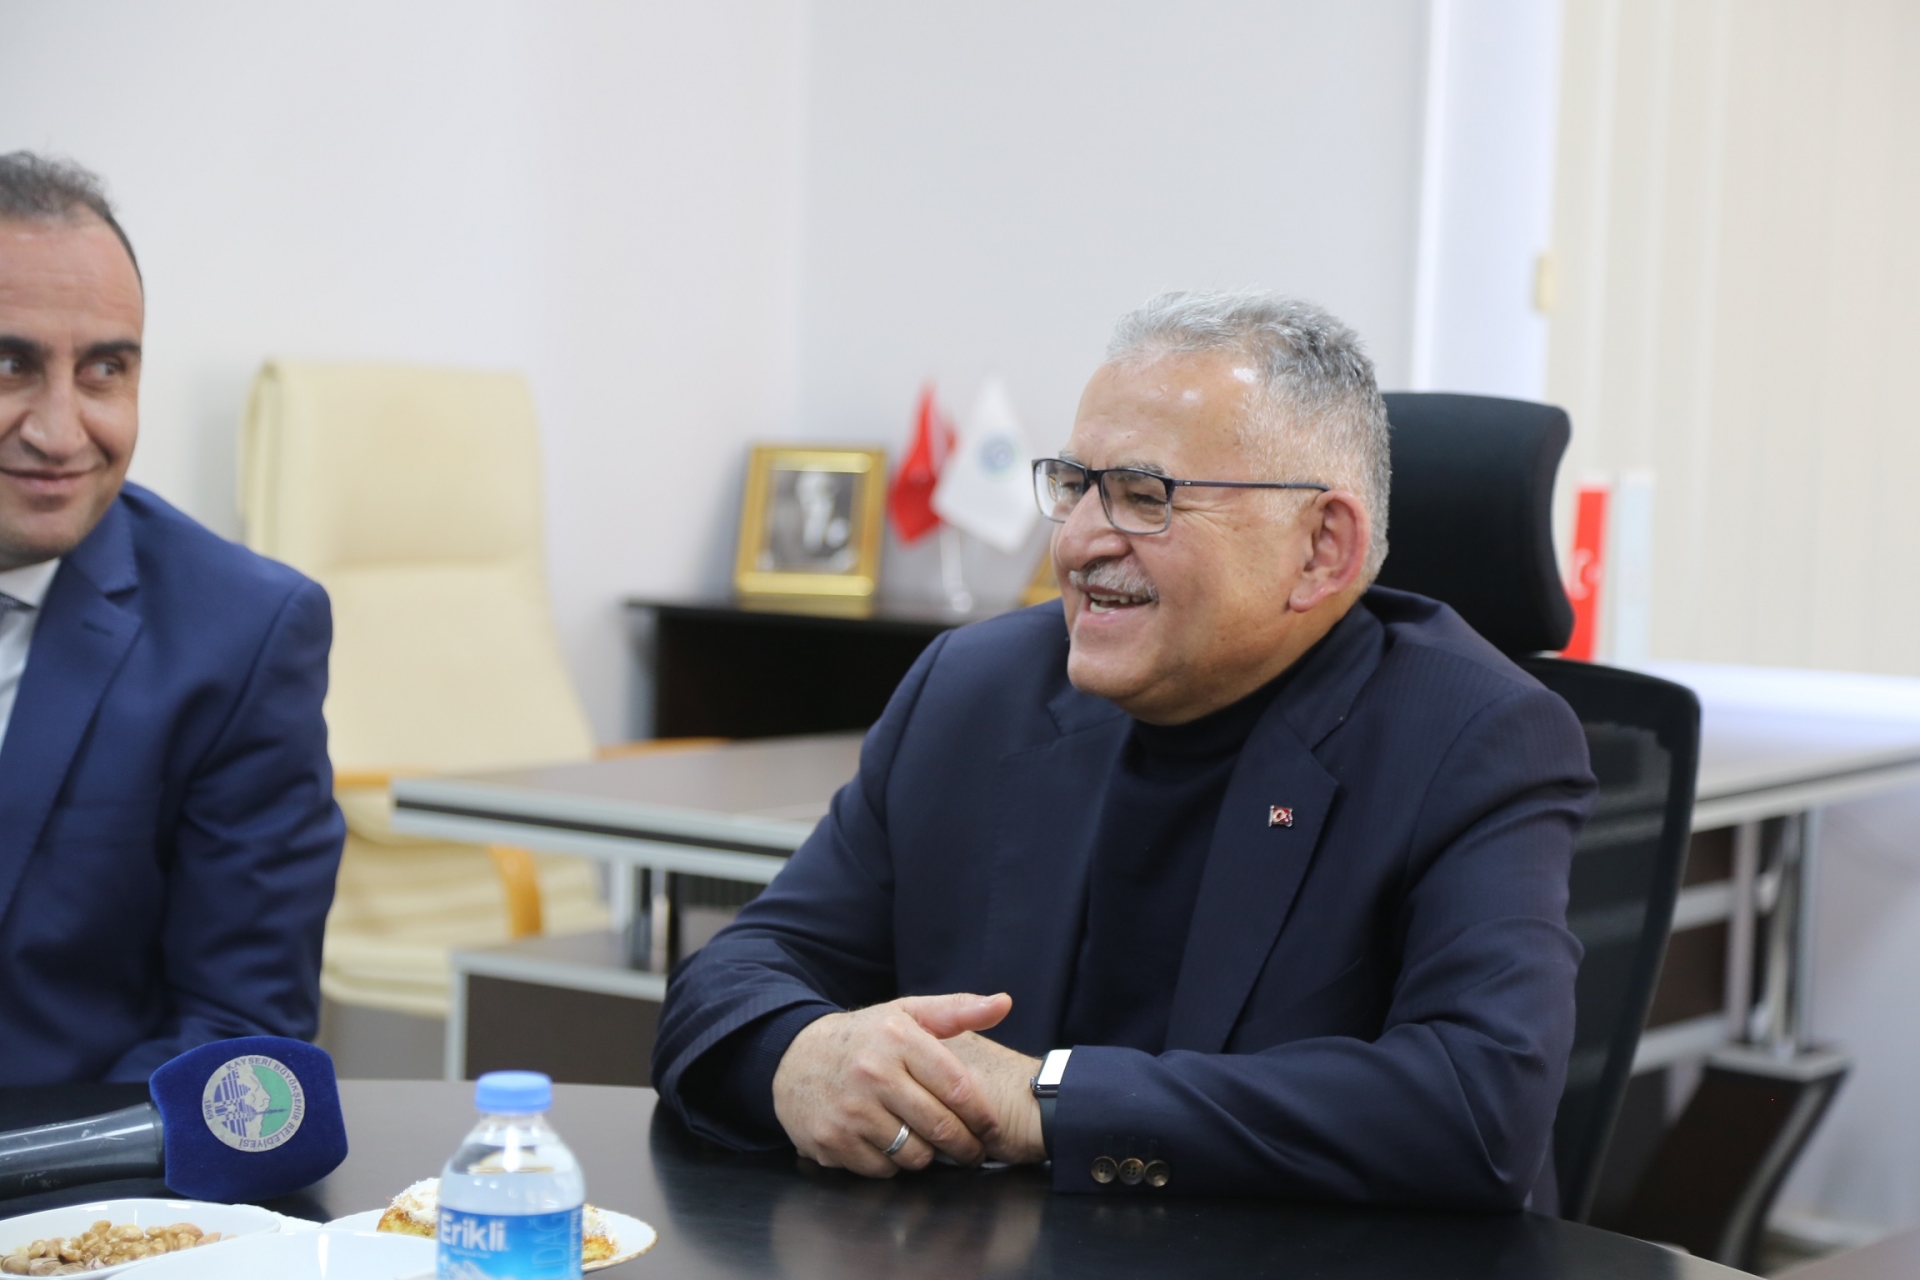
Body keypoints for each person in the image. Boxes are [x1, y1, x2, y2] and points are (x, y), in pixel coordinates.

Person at [653, 290, 1596, 1212]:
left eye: (1145, 498)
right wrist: (802, 1055)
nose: (1076, 544)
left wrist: (1045, 1102)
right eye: (1074, 487)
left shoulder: (1473, 736)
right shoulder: (976, 689)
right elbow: (738, 975)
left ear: (1320, 548)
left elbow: (1478, 1106)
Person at [0, 153, 344, 1084]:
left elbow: (240, 1037)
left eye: (104, 370)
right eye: (10, 364)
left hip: (56, 1168)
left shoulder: (240, 636)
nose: (60, 432)